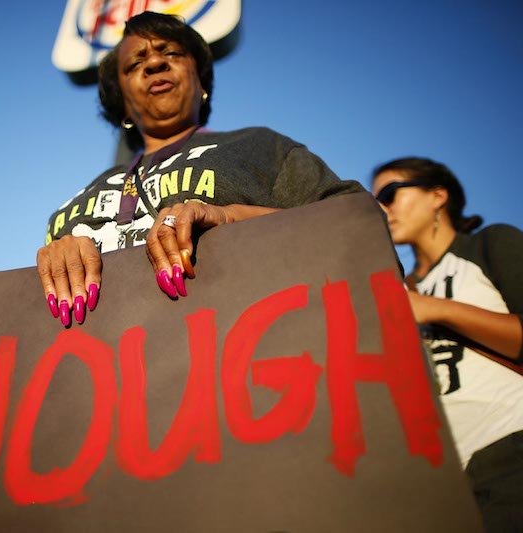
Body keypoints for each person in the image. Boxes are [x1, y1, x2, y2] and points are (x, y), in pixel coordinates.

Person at [37, 11, 364, 326]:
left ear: (201, 79)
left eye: (172, 53)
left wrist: (230, 217)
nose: (154, 62)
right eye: (136, 63)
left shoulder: (261, 145)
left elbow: (360, 222)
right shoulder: (80, 196)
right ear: (121, 100)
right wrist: (58, 250)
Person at [371, 157, 523, 532]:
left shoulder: (488, 245)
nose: (382, 209)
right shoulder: (395, 290)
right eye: (374, 202)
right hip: (443, 486)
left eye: (390, 194)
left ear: (438, 195)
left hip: (510, 450)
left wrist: (435, 309)